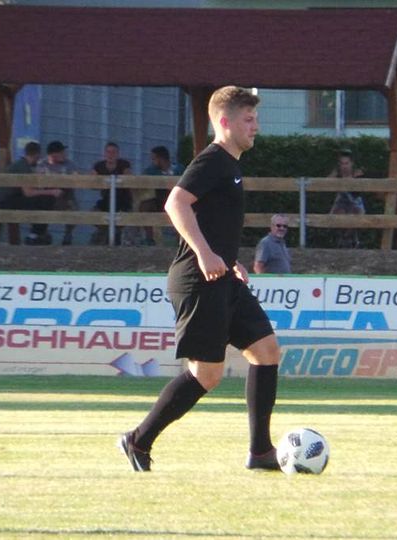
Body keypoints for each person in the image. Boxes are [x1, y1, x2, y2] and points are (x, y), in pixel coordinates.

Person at [119, 86, 281, 473]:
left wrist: (230, 260)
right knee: (207, 374)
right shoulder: (213, 159)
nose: (256, 126)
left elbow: (213, 219)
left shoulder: (231, 166)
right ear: (224, 122)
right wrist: (205, 254)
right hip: (198, 279)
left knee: (267, 351)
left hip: (223, 277)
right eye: (248, 119)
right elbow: (175, 202)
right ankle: (138, 439)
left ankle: (260, 452)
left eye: (256, 119)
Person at [0, 141, 63, 246]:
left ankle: (37, 234)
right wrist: (51, 192)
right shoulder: (23, 167)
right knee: (46, 200)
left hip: (9, 199)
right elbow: (28, 193)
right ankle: (35, 235)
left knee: (43, 200)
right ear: (37, 154)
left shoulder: (22, 165)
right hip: (7, 202)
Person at [35, 140, 80, 245]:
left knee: (74, 210)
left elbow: (76, 178)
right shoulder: (42, 164)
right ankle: (43, 233)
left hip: (65, 195)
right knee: (38, 206)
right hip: (47, 196)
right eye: (61, 152)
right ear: (53, 154)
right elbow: (39, 182)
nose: (64, 154)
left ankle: (68, 234)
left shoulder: (69, 163)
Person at [138, 145, 186, 245]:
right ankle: (149, 239)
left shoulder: (179, 169)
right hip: (160, 201)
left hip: (177, 201)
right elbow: (143, 179)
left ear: (161, 158)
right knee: (145, 206)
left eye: (154, 159)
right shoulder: (152, 170)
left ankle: (181, 240)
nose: (153, 161)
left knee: (184, 209)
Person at [92, 142, 133, 245]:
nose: (110, 155)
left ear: (118, 154)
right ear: (104, 154)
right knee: (94, 214)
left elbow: (128, 181)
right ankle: (105, 235)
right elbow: (92, 183)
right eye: (108, 152)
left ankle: (115, 236)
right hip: (106, 199)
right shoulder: (99, 166)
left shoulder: (124, 165)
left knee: (122, 218)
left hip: (123, 200)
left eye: (113, 152)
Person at [328, 149, 366, 248]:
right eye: (342, 163)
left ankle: (349, 238)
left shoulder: (358, 174)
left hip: (354, 201)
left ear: (351, 163)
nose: (344, 166)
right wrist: (333, 176)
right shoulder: (337, 175)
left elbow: (359, 192)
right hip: (340, 202)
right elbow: (324, 185)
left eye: (346, 163)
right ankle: (342, 238)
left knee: (354, 214)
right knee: (339, 213)